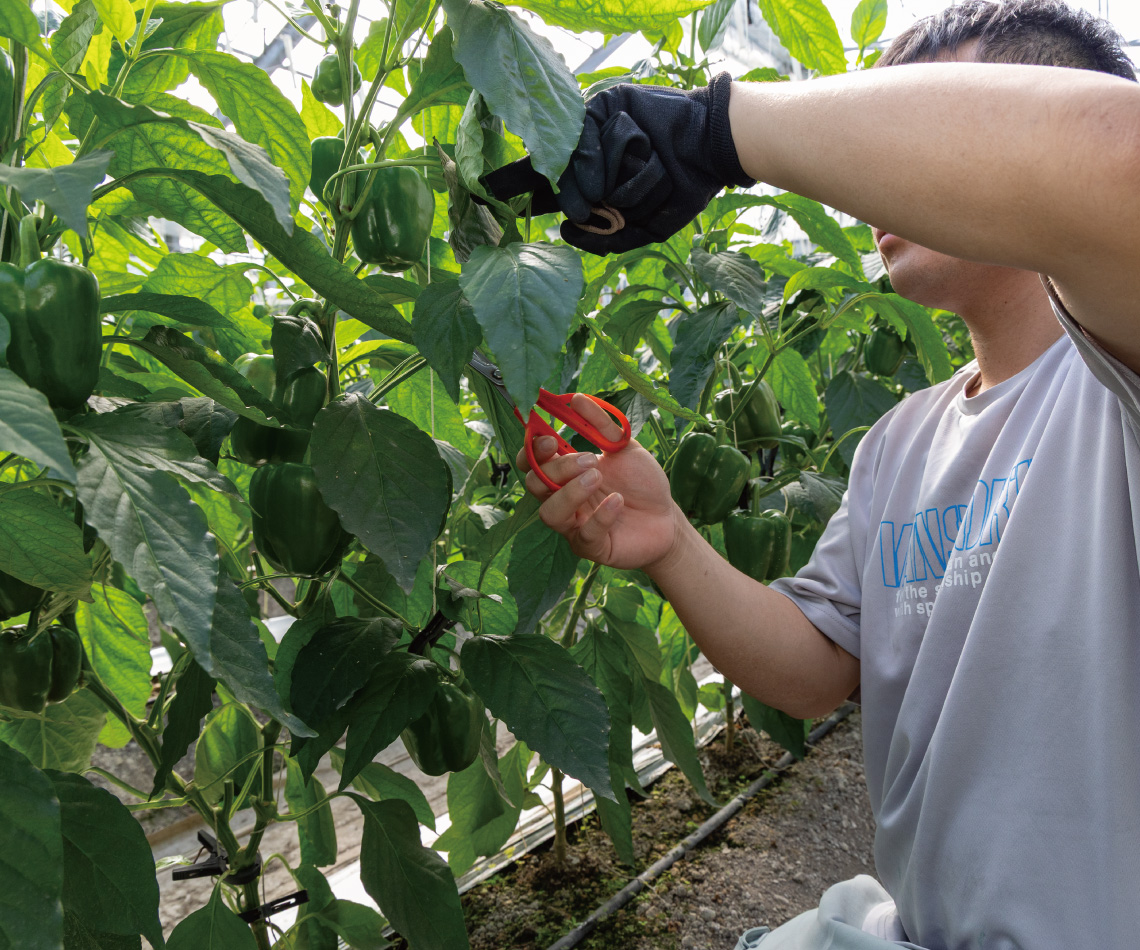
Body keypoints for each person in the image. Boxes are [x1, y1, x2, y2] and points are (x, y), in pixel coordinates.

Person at [488, 1, 1140, 947]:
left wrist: (718, 130)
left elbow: (1116, 160)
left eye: (920, 121)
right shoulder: (900, 441)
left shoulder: (1113, 389)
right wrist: (670, 540)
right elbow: (817, 671)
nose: (871, 185)